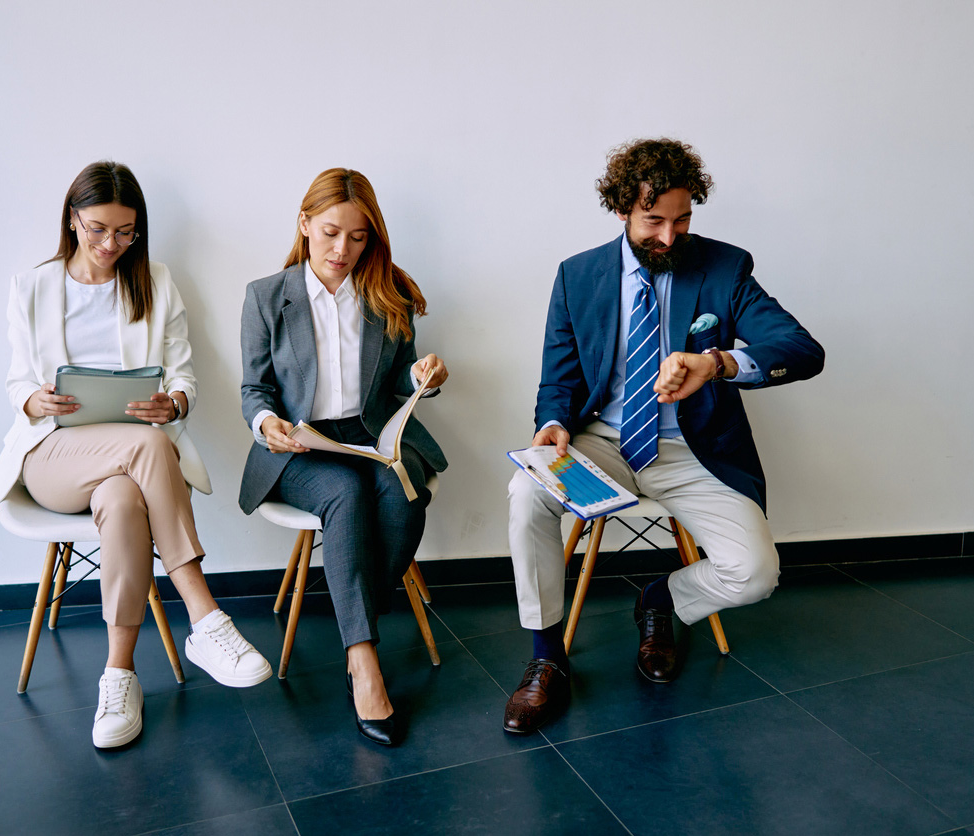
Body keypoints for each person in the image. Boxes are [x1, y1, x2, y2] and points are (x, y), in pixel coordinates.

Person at [502, 139, 825, 734]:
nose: (670, 237)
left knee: (756, 573)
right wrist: (551, 425)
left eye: (682, 220)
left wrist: (721, 363)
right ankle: (546, 659)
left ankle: (659, 602)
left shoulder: (725, 268)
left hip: (694, 449)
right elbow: (559, 380)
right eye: (654, 221)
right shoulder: (578, 277)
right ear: (623, 208)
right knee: (527, 495)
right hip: (603, 440)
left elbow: (803, 351)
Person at [0, 161, 272, 749]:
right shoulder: (31, 287)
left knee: (122, 496)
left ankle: (119, 676)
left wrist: (176, 402)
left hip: (129, 468)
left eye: (124, 231)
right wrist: (35, 399)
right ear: (72, 220)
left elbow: (184, 372)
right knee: (144, 446)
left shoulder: (156, 282)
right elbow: (16, 383)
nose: (110, 244)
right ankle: (205, 617)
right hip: (53, 456)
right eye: (97, 229)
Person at [238, 168, 448, 746]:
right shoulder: (266, 296)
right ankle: (363, 660)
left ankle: (357, 615)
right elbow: (253, 389)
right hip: (299, 448)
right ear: (305, 225)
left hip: (367, 435)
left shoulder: (388, 294)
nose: (342, 250)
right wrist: (266, 423)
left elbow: (400, 388)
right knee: (346, 494)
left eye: (358, 237)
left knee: (406, 496)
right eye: (331, 233)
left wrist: (424, 376)